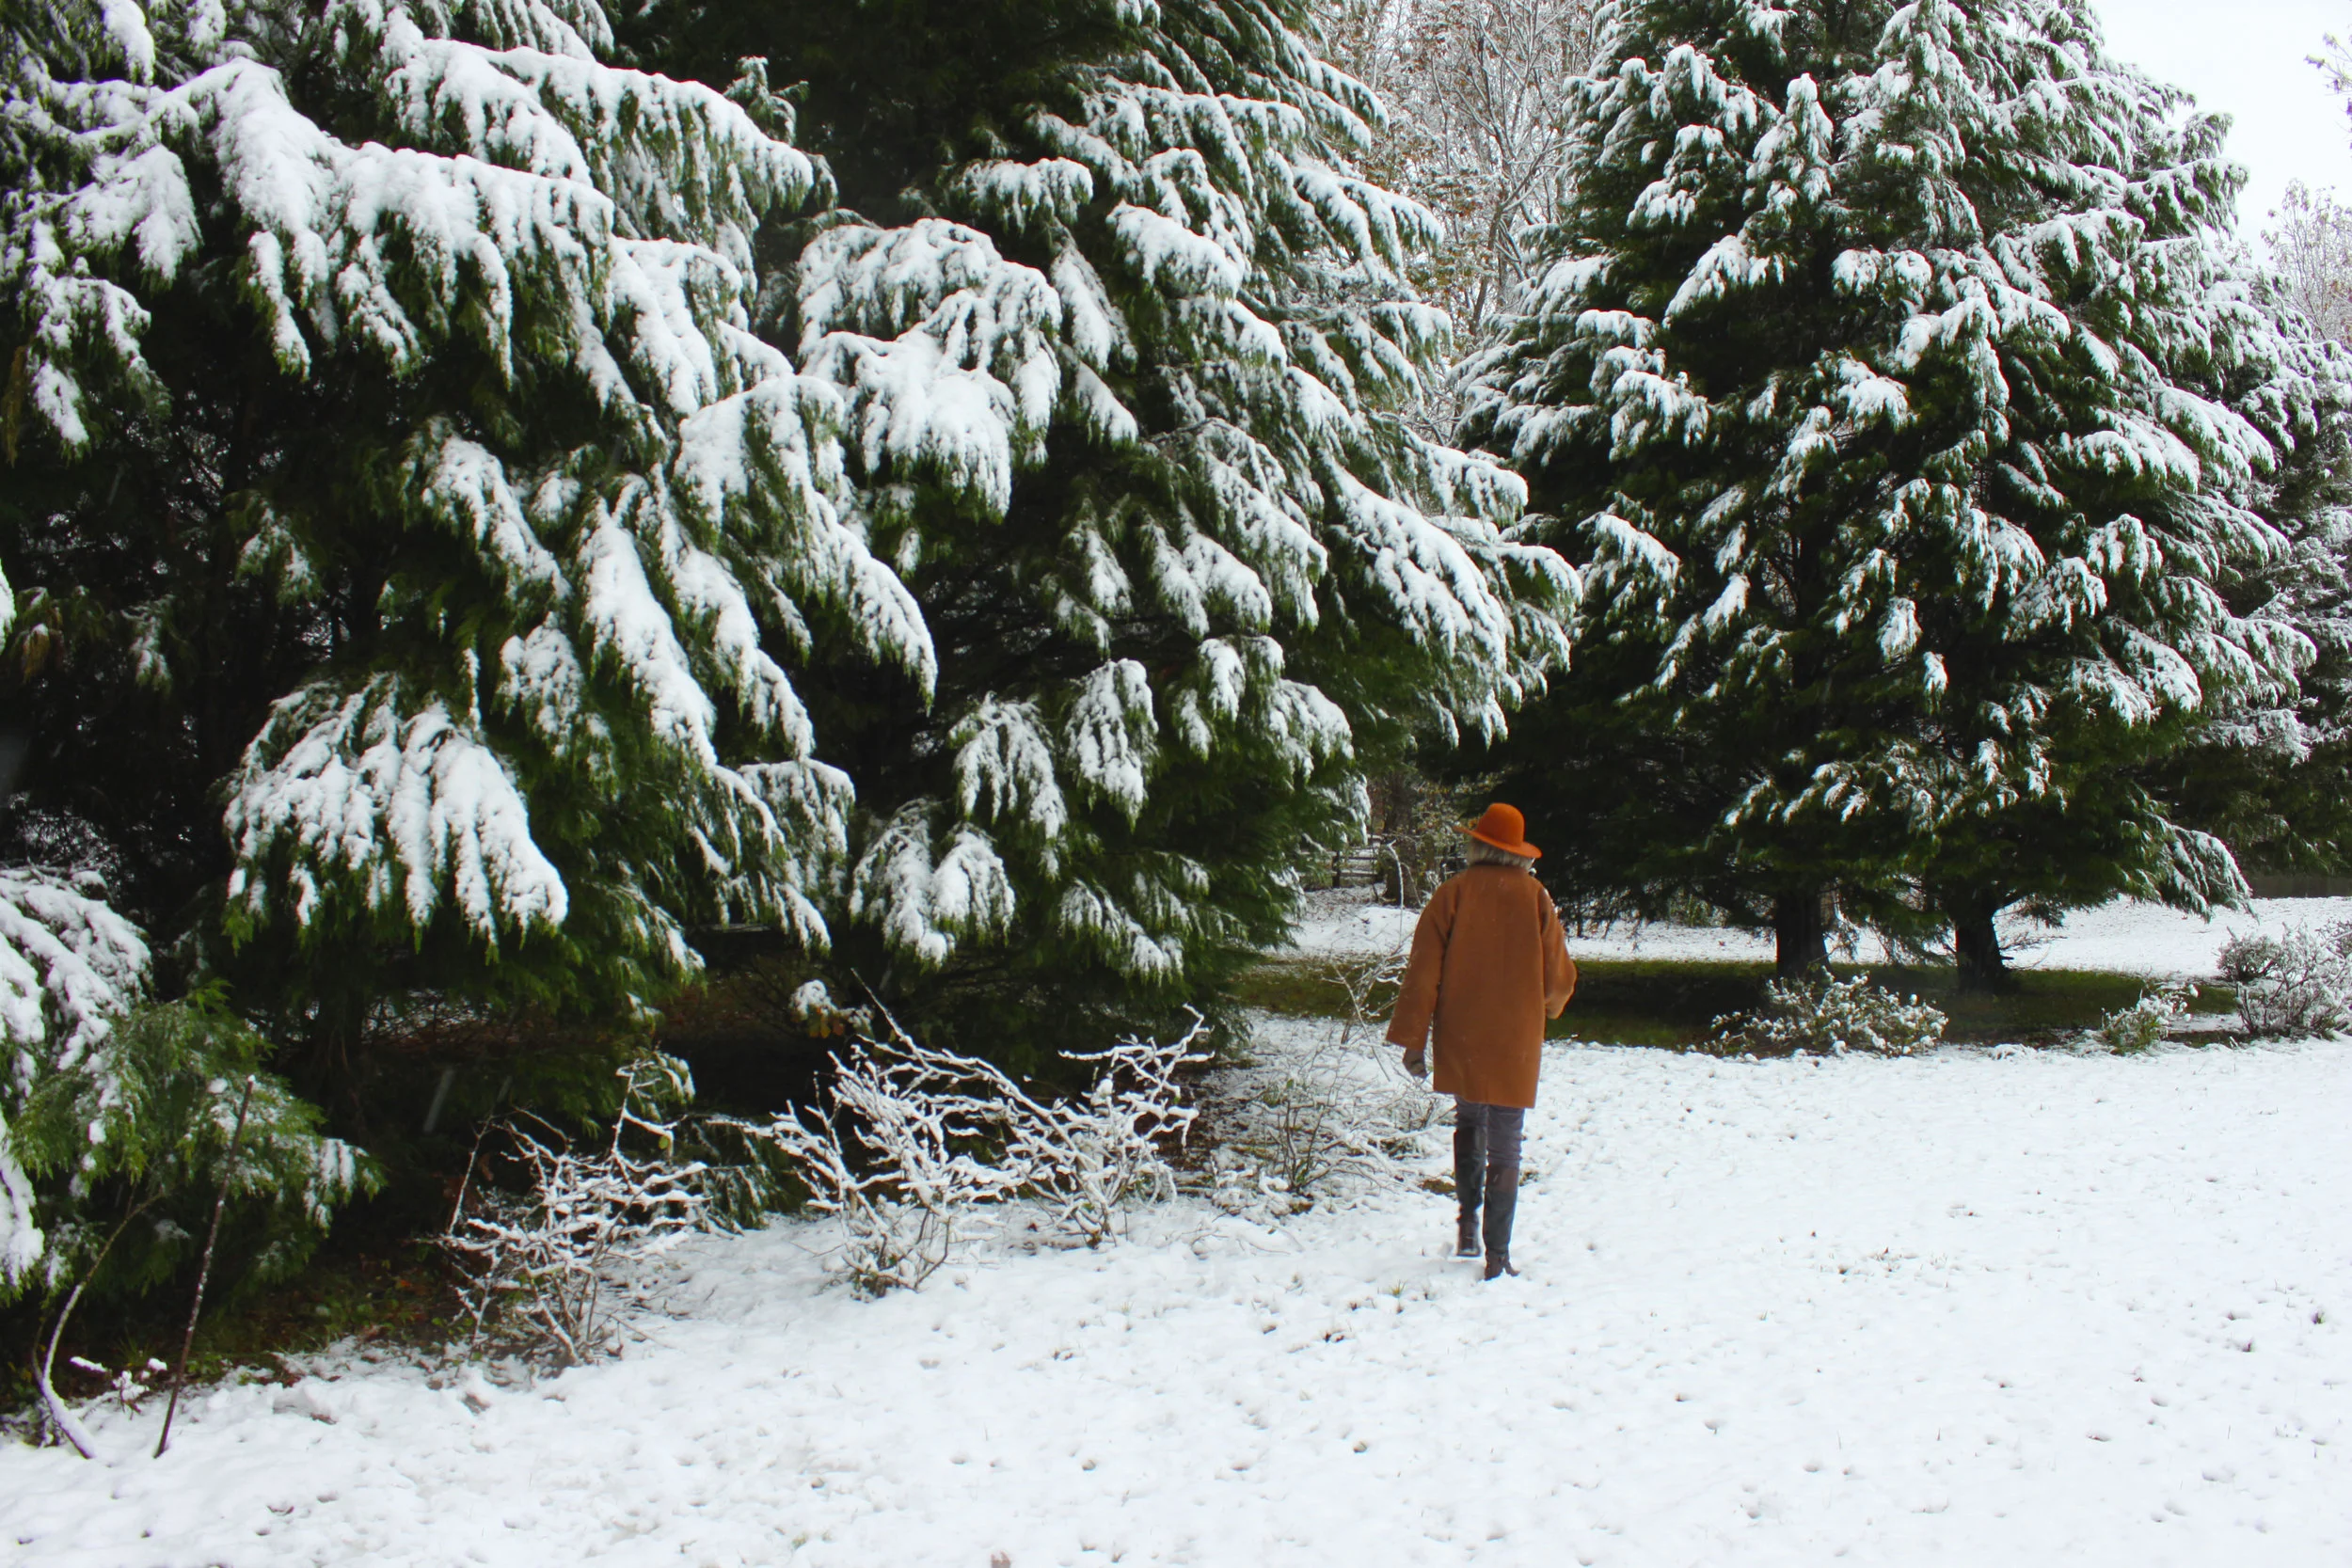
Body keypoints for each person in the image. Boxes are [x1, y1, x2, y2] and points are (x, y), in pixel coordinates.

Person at [1385, 802, 1577, 1279]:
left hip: (1463, 1027)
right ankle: (1499, 1256)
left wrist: (1414, 1039)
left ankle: (1468, 1226)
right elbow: (1557, 978)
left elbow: (1423, 970)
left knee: (1470, 1118)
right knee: (1507, 1141)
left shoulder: (1453, 893)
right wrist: (1548, 1005)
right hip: (1516, 1034)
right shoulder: (1535, 897)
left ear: (1478, 844)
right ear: (1519, 854)